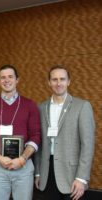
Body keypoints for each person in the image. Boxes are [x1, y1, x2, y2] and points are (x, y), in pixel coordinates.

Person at [0, 64, 41, 200]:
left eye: (10, 77)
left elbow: (36, 135)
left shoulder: (30, 105)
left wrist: (22, 159)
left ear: (17, 80)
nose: (6, 80)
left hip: (23, 167)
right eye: (3, 77)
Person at [34, 66, 95, 200]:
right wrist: (38, 172)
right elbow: (39, 143)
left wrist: (81, 178)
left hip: (72, 174)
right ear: (49, 82)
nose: (58, 83)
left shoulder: (82, 106)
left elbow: (88, 145)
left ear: (69, 82)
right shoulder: (40, 108)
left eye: (62, 79)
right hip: (47, 172)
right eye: (54, 79)